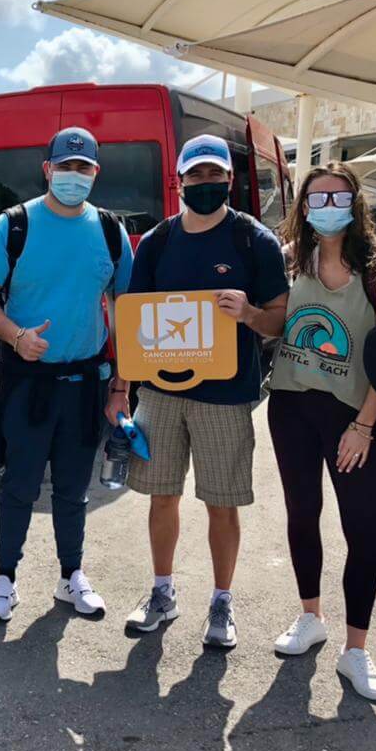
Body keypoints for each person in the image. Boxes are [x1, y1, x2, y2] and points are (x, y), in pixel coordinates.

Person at [108, 134, 289, 649]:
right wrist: (122, 387)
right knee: (161, 496)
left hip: (227, 397)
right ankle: (162, 594)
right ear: (180, 180)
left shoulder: (254, 241)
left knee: (221, 504)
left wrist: (250, 314)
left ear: (229, 181)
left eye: (215, 176)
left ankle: (221, 602)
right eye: (196, 176)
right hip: (161, 395)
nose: (205, 184)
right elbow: (132, 319)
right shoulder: (158, 243)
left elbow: (279, 320)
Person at [0, 127, 134, 623]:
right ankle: (4, 579)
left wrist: (121, 386)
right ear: (47, 170)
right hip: (27, 382)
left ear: (96, 174)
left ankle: (71, 576)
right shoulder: (12, 226)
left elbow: (126, 308)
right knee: (18, 484)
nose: (74, 176)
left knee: (73, 487)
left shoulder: (109, 230)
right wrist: (17, 336)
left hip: (86, 382)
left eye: (84, 168)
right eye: (65, 167)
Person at [265, 163, 376, 700]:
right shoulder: (291, 260)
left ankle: (357, 650)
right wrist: (248, 313)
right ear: (303, 205)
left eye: (338, 196)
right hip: (291, 407)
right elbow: (277, 325)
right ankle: (311, 617)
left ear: (356, 201)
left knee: (362, 527)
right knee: (302, 514)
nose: (328, 205)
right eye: (317, 197)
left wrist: (366, 425)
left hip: (354, 416)